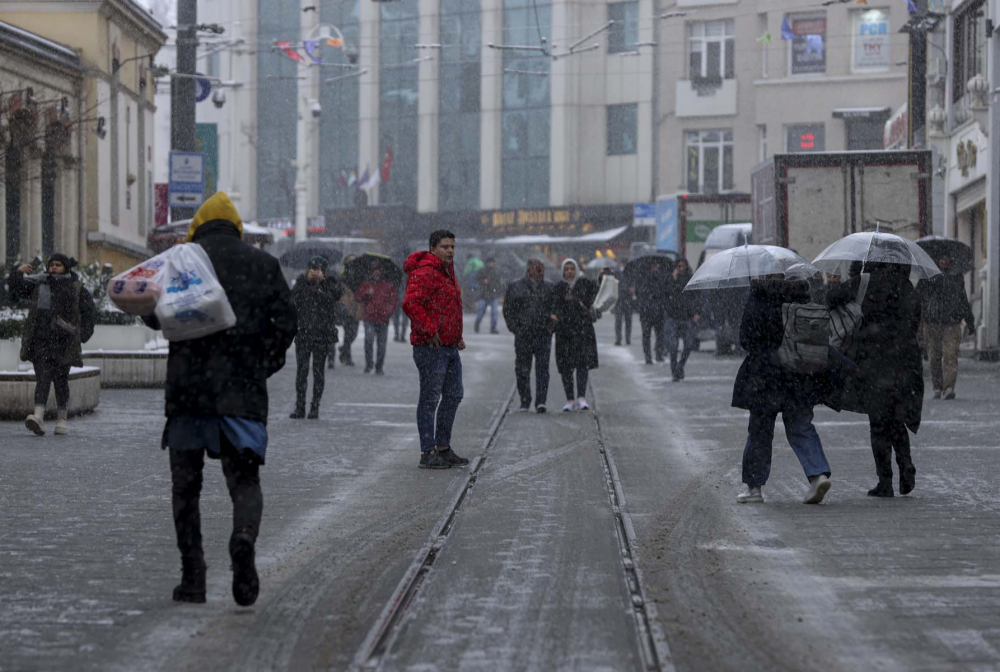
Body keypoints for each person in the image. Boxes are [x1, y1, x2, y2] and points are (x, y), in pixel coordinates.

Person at [142, 192, 297, 606]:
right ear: (237, 227)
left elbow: (153, 312)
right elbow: (287, 321)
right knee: (244, 479)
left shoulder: (182, 261)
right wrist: (261, 363)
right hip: (241, 393)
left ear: (198, 226)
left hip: (188, 391)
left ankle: (193, 578)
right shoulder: (263, 264)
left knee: (185, 489)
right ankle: (243, 538)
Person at [733, 278, 837, 505]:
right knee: (801, 425)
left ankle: (754, 488)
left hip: (765, 375)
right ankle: (817, 474)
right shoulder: (800, 294)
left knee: (760, 431)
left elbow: (745, 338)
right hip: (798, 372)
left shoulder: (759, 295)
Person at [829, 263, 923, 497]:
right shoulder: (908, 287)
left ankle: (885, 481)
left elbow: (830, 300)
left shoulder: (864, 281)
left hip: (875, 362)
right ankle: (906, 467)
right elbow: (913, 324)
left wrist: (836, 288)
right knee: (897, 417)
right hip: (905, 362)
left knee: (879, 422)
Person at [8, 253, 96, 436]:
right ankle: (38, 417)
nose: (53, 267)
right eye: (51, 264)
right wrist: (17, 273)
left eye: (58, 265)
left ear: (66, 268)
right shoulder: (40, 283)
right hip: (41, 341)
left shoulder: (75, 287)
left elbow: (89, 312)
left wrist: (83, 335)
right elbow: (16, 289)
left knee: (61, 381)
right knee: (43, 378)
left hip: (64, 342)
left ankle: (61, 420)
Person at [403, 230, 470, 470]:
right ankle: (427, 451)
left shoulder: (447, 271)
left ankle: (442, 447)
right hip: (430, 346)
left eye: (452, 246)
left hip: (449, 346)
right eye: (445, 246)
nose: (450, 250)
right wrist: (431, 331)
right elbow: (411, 303)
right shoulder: (425, 272)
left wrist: (456, 336)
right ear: (433, 248)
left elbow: (449, 307)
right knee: (430, 398)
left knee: (454, 395)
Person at [916, 253, 976, 400]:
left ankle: (949, 387)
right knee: (934, 357)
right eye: (941, 258)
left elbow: (963, 299)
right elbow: (918, 298)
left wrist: (970, 321)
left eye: (946, 257)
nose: (944, 260)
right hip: (932, 322)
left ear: (950, 260)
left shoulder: (956, 277)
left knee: (951, 355)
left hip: (952, 322)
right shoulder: (927, 276)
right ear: (936, 259)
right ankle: (937, 387)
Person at [290, 256, 342, 419]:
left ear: (324, 272)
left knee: (319, 372)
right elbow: (294, 299)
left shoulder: (330, 283)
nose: (314, 272)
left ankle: (315, 406)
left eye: (318, 269)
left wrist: (321, 285)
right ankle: (300, 406)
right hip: (304, 333)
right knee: (302, 372)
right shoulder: (301, 283)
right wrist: (307, 282)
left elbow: (333, 299)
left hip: (322, 334)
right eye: (312, 269)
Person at [503, 259, 555, 413]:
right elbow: (508, 310)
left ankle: (541, 401)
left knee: (542, 369)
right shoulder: (516, 287)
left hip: (543, 334)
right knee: (522, 369)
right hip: (523, 334)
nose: (541, 274)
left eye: (542, 270)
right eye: (538, 270)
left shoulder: (549, 287)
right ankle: (525, 400)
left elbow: (556, 309)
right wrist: (515, 328)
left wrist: (550, 327)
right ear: (529, 270)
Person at [551, 259, 600, 412]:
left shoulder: (585, 284)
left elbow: (598, 297)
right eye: (567, 269)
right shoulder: (559, 288)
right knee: (566, 366)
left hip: (583, 330)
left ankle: (582, 397)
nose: (570, 272)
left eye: (572, 269)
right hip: (564, 332)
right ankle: (569, 399)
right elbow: (553, 306)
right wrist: (555, 317)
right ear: (563, 271)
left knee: (582, 364)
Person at [663, 258, 701, 381]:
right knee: (673, 346)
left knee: (689, 344)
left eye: (683, 266)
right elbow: (666, 292)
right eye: (678, 266)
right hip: (673, 316)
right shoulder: (670, 278)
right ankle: (674, 371)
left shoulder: (691, 278)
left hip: (687, 316)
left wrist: (697, 312)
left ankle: (680, 366)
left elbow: (696, 296)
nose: (681, 268)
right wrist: (673, 279)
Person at [357, 264, 399, 375]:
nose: (377, 272)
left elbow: (393, 300)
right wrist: (367, 294)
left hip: (383, 319)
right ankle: (369, 363)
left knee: (381, 345)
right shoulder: (366, 284)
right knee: (369, 341)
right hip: (369, 318)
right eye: (374, 270)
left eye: (379, 270)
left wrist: (388, 311)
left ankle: (379, 366)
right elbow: (358, 297)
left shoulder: (388, 285)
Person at [635, 259, 669, 365]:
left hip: (656, 311)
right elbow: (641, 293)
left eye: (657, 265)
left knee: (657, 335)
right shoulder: (645, 278)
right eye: (654, 265)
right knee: (648, 335)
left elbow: (665, 292)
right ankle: (649, 356)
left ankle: (656, 355)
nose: (656, 267)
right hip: (648, 311)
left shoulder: (660, 277)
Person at [336, 253, 361, 367]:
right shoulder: (343, 275)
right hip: (347, 307)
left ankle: (344, 349)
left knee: (353, 333)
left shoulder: (360, 275)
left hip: (356, 307)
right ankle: (347, 356)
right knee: (348, 332)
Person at [474, 257, 502, 334]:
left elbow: (499, 282)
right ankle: (477, 324)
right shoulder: (482, 271)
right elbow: (476, 279)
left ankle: (493, 328)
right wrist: (483, 281)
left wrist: (498, 291)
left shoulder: (496, 271)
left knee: (494, 313)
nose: (491, 264)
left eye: (492, 262)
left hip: (493, 294)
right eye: (490, 262)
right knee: (481, 312)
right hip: (483, 294)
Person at [614, 260, 635, 346]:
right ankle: (618, 338)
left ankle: (627, 338)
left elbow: (633, 285)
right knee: (618, 321)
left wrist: (632, 288)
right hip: (619, 300)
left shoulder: (630, 274)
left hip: (628, 300)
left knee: (628, 321)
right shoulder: (617, 274)